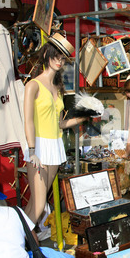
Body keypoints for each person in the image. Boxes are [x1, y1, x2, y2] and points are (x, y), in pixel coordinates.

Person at [23, 33, 86, 224]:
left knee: (35, 203)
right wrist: (32, 150)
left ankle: (23, 241)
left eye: (62, 58)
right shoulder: (33, 85)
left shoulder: (57, 88)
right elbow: (27, 120)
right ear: (46, 55)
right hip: (39, 148)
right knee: (40, 206)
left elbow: (59, 124)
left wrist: (82, 118)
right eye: (55, 56)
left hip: (54, 146)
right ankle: (19, 242)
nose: (59, 62)